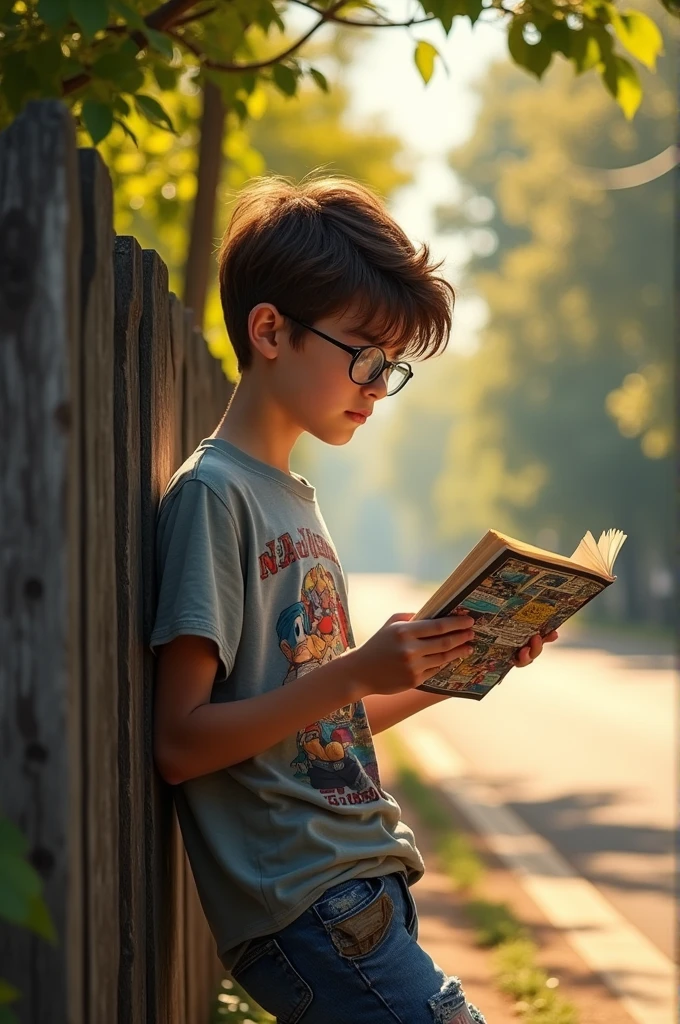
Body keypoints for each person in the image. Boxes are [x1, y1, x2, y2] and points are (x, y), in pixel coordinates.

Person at [150, 175, 557, 1024]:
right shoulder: (215, 496)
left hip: (358, 886)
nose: (377, 384)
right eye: (365, 355)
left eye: (392, 367)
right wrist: (354, 672)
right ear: (271, 330)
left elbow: (311, 736)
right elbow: (182, 743)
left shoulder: (290, 495)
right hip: (307, 903)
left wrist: (461, 664)